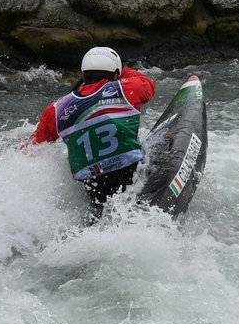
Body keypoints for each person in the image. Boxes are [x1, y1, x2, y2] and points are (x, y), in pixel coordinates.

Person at [28, 46, 157, 216]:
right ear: (116, 74)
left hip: (95, 190)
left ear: (83, 75)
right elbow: (147, 83)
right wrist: (123, 70)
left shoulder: (55, 110)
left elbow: (36, 145)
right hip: (133, 177)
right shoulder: (128, 88)